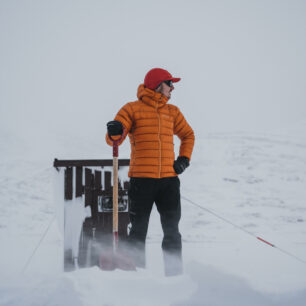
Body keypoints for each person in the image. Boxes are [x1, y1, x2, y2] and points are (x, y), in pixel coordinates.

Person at [106, 68, 195, 276]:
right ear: (158, 84)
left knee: (172, 231)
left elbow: (188, 135)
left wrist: (184, 159)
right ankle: (135, 278)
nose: (173, 88)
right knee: (137, 232)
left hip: (169, 183)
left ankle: (174, 276)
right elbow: (114, 139)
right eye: (170, 83)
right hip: (141, 182)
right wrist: (114, 131)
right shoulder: (132, 109)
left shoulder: (172, 112)